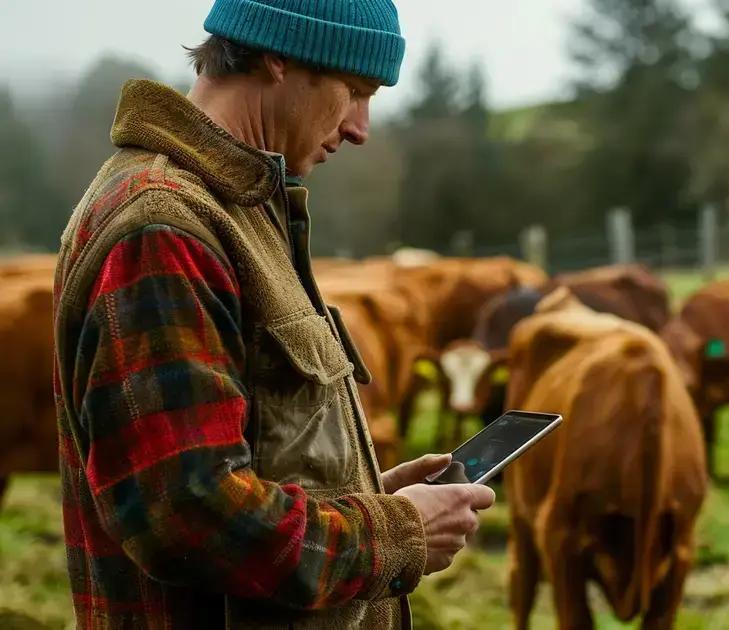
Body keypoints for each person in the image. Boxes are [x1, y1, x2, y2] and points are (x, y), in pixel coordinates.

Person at [51, 1, 495, 628]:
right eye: (355, 91)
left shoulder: (235, 207)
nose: (361, 128)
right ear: (279, 55)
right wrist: (395, 530)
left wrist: (368, 494)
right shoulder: (163, 226)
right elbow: (189, 513)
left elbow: (249, 456)